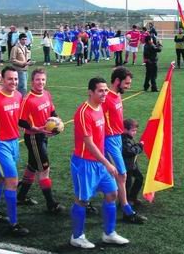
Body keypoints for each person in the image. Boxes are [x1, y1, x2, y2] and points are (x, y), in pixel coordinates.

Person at [70, 77, 129, 249]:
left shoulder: (101, 107)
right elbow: (89, 143)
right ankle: (77, 237)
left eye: (105, 90)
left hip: (99, 163)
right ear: (90, 92)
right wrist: (107, 163)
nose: (104, 94)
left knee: (112, 194)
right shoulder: (83, 112)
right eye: (100, 91)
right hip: (84, 163)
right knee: (82, 200)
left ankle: (109, 234)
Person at [0, 66, 29, 236]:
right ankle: (14, 223)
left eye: (16, 79)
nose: (14, 82)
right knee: (12, 181)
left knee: (0, 178)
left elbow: (17, 118)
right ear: (2, 79)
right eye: (10, 79)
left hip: (14, 142)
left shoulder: (18, 95)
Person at [17, 68, 64, 212]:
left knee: (32, 166)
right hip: (33, 137)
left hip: (43, 135)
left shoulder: (47, 94)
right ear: (32, 81)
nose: (41, 82)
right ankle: (51, 204)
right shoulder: (27, 99)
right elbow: (21, 121)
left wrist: (57, 123)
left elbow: (52, 112)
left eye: (43, 79)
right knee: (44, 169)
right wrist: (36, 128)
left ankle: (21, 196)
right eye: (38, 79)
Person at [103, 67, 147, 224]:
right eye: (126, 83)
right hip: (109, 141)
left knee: (120, 176)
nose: (128, 86)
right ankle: (127, 211)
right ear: (117, 81)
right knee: (120, 176)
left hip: (117, 139)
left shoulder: (117, 96)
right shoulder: (106, 97)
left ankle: (125, 209)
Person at [122, 118, 144, 207]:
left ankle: (132, 197)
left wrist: (137, 145)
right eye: (133, 130)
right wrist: (140, 146)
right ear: (125, 129)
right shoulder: (123, 139)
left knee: (139, 178)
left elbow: (132, 147)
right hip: (126, 166)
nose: (135, 132)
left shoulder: (129, 137)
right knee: (127, 184)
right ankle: (125, 201)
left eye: (135, 130)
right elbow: (130, 151)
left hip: (132, 164)